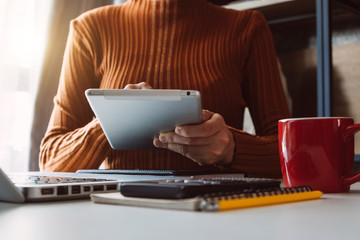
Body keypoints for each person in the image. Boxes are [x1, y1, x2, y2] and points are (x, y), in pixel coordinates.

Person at [39, 0, 290, 178]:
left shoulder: (246, 28)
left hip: (212, 214)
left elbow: (289, 151)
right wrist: (108, 121)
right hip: (117, 216)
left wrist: (231, 148)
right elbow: (51, 161)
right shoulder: (90, 29)